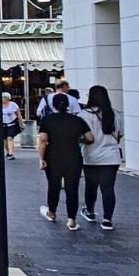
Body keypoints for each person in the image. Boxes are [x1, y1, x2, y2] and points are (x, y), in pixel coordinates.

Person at [39, 92, 93, 230]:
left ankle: (51, 213)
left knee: (54, 186)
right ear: (68, 105)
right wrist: (78, 139)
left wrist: (41, 158)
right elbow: (90, 138)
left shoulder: (48, 119)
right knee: (72, 189)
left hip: (53, 157)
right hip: (73, 156)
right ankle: (72, 221)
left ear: (53, 105)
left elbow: (43, 140)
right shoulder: (77, 120)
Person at [79, 85, 123, 231]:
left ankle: (90, 211)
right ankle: (107, 219)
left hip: (91, 156)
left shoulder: (84, 114)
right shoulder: (114, 114)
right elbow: (119, 135)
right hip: (112, 156)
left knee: (91, 186)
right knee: (108, 188)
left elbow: (83, 136)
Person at [1, 91, 24, 159]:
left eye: (3, 97)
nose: (2, 99)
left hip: (12, 123)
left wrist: (21, 123)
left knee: (10, 137)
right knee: (5, 139)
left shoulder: (13, 105)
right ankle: (8, 152)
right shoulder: (0, 105)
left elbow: (18, 115)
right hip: (3, 124)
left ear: (7, 98)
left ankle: (11, 153)